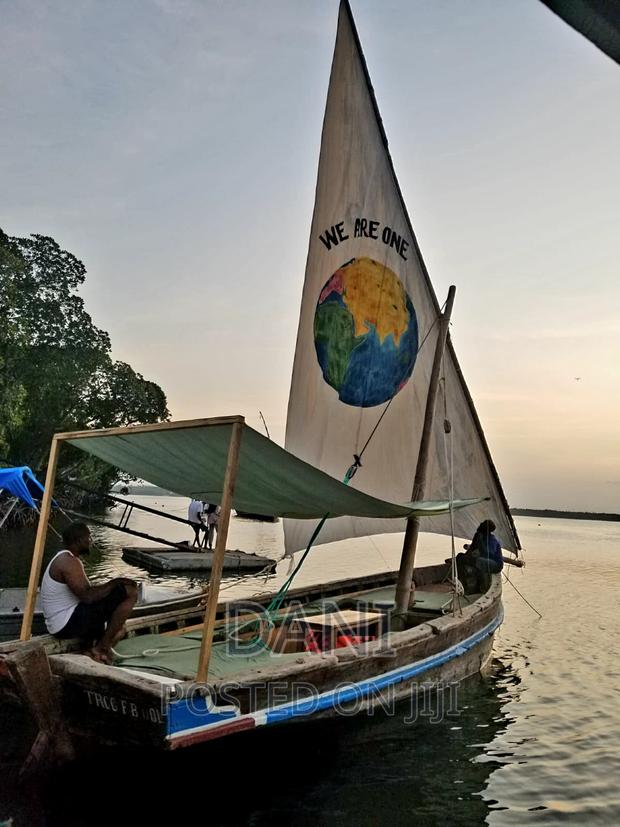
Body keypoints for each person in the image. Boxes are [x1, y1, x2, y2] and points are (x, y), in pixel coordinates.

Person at [40, 522, 138, 664]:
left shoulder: (68, 558)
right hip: (65, 623)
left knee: (119, 629)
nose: (91, 541)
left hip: (66, 619)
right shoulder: (67, 561)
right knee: (130, 592)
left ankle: (94, 649)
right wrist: (115, 582)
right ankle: (101, 648)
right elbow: (88, 597)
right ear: (79, 541)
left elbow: (89, 593)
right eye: (89, 538)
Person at [461, 519, 503, 591]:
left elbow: (488, 554)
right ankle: (463, 584)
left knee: (479, 560)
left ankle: (480, 587)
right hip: (485, 561)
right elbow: (472, 549)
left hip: (496, 564)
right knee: (461, 557)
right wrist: (475, 540)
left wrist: (480, 543)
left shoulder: (492, 539)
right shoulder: (479, 536)